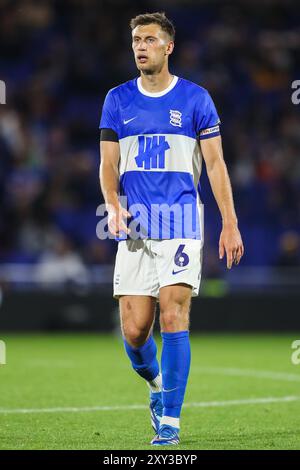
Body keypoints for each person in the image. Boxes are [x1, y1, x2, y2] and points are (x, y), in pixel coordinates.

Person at [99, 11, 244, 446]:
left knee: (174, 315)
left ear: (169, 47)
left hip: (181, 220)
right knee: (135, 330)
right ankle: (158, 387)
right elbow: (108, 164)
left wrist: (230, 222)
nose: (140, 46)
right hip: (136, 226)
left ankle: (170, 426)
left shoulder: (197, 99)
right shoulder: (117, 99)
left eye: (149, 39)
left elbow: (216, 165)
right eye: (136, 40)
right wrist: (111, 205)